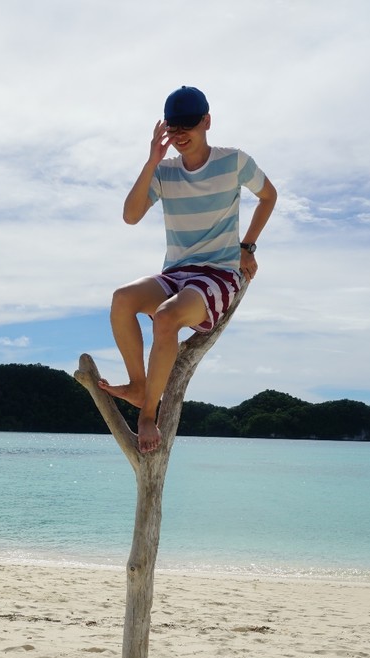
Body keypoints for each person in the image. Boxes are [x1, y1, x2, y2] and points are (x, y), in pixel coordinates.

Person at [99, 86, 277, 453]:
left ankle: (148, 414)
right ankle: (137, 384)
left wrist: (247, 246)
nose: (180, 136)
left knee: (166, 318)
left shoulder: (234, 162)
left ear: (207, 122)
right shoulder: (164, 171)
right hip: (175, 273)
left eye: (187, 127)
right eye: (173, 128)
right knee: (121, 299)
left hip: (218, 273)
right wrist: (151, 161)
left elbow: (269, 196)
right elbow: (131, 216)